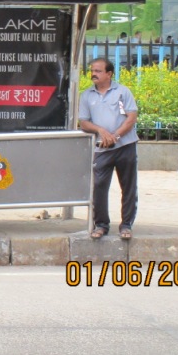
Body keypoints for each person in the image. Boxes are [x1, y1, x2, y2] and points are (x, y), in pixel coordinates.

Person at [78, 57, 139, 240]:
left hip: (125, 146)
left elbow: (131, 117)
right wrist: (100, 130)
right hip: (102, 149)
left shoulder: (122, 92)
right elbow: (83, 122)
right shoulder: (87, 95)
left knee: (128, 186)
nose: (93, 74)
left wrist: (116, 136)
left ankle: (126, 225)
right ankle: (102, 224)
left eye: (97, 71)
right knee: (98, 186)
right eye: (92, 71)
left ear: (109, 73)